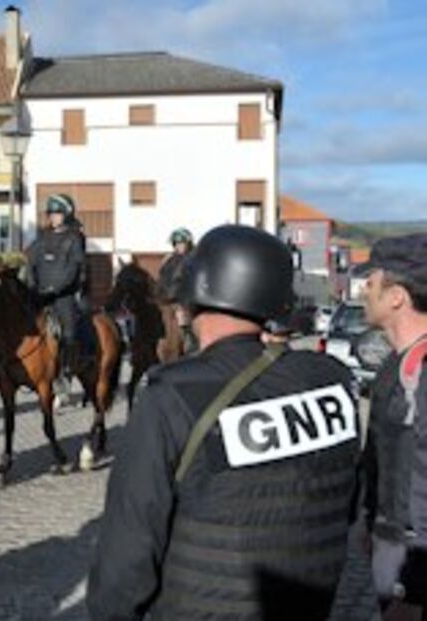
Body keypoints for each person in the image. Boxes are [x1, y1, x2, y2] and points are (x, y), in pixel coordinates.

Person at [88, 224, 361, 621]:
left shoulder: (171, 396)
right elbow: (347, 505)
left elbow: (127, 555)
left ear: (197, 293)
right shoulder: (333, 380)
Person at [358, 234, 427, 619]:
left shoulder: (421, 369)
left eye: (371, 281)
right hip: (390, 547)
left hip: (411, 562)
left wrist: (414, 585)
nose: (364, 289)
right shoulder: (393, 366)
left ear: (397, 296)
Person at [25, 193, 86, 395]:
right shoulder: (42, 238)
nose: (53, 217)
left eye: (57, 214)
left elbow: (73, 270)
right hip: (40, 296)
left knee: (69, 332)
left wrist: (56, 289)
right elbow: (31, 263)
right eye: (51, 214)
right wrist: (33, 285)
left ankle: (67, 371)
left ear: (67, 215)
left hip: (63, 296)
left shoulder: (75, 238)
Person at [158, 227, 197, 352]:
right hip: (165, 302)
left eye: (182, 243)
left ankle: (191, 346)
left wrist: (183, 303)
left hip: (184, 302)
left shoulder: (194, 259)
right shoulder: (168, 260)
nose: (179, 246)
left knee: (185, 323)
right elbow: (162, 280)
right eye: (177, 243)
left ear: (188, 243)